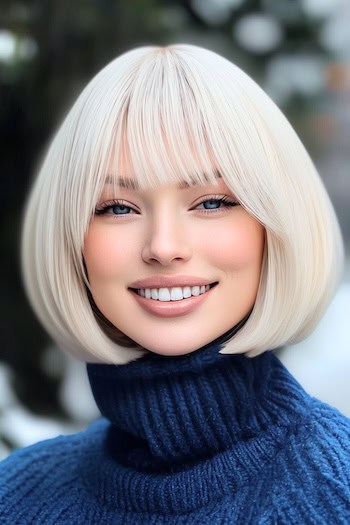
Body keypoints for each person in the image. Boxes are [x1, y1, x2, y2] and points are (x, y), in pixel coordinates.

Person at [0, 44, 349, 524]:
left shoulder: (336, 490)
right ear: (72, 240)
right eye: (118, 207)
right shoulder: (16, 496)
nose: (164, 247)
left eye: (210, 202)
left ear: (274, 226)